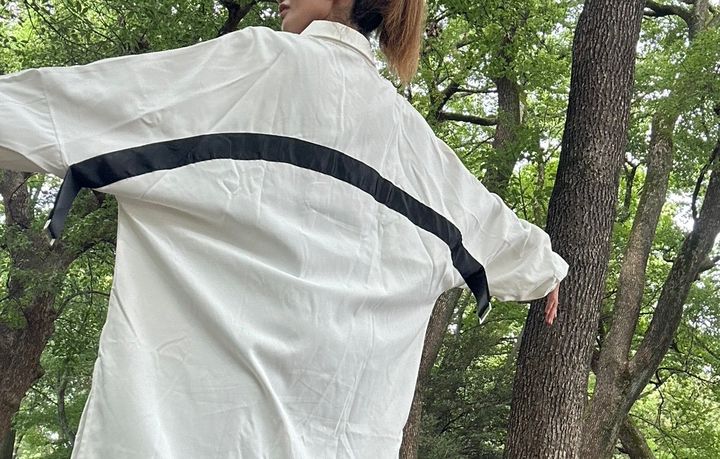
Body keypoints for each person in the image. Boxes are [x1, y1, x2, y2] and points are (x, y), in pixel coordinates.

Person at [0, 0, 567, 456]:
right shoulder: (418, 150)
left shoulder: (251, 68)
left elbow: (59, 109)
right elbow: (501, 236)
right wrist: (546, 273)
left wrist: (541, 268)